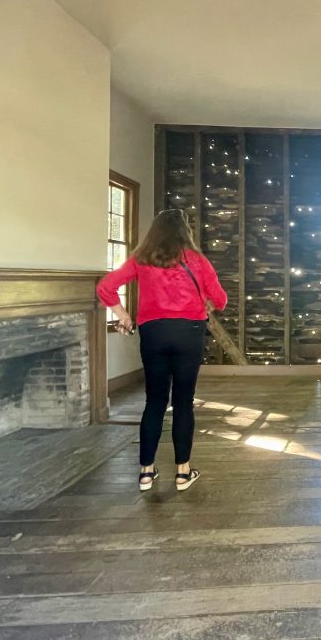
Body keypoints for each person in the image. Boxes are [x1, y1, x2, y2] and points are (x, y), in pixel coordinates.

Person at [97, 209, 228, 492]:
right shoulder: (196, 259)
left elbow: (106, 287)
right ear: (185, 231)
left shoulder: (142, 258)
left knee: (154, 401)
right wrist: (206, 301)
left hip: (153, 333)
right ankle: (183, 472)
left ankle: (146, 472)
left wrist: (123, 317)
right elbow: (221, 299)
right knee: (183, 402)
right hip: (189, 332)